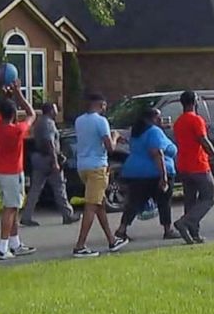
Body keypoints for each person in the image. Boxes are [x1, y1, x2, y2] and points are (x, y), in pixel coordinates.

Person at [73, 93, 127, 258]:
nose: (105, 108)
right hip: (97, 166)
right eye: (104, 105)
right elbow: (110, 147)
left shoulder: (79, 121)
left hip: (82, 166)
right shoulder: (101, 121)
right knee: (91, 205)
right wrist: (116, 136)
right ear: (100, 104)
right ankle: (80, 246)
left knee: (100, 204)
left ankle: (112, 240)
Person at [172, 90, 214, 244]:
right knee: (211, 194)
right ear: (195, 102)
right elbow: (203, 140)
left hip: (183, 164)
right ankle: (185, 221)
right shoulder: (196, 120)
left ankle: (193, 233)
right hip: (198, 164)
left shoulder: (178, 122)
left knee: (190, 199)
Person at [0, 82, 38, 260]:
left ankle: (14, 242)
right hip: (12, 172)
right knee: (10, 209)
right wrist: (19, 94)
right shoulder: (17, 130)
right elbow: (32, 114)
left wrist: (7, 97)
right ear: (14, 115)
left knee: (13, 207)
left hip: (0, 171)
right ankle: (3, 246)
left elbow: (1, 110)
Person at [115, 108, 177, 242]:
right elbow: (157, 154)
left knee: (134, 202)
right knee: (164, 201)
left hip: (136, 172)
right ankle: (168, 229)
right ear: (152, 119)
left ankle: (122, 229)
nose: (161, 120)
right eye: (158, 118)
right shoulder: (154, 132)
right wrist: (164, 176)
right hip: (154, 172)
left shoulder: (136, 132)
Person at [21, 102, 79, 227]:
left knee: (35, 189)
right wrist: (55, 161)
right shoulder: (48, 124)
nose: (57, 111)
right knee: (59, 187)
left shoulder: (40, 122)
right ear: (51, 110)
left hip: (38, 158)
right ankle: (67, 214)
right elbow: (49, 143)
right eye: (55, 109)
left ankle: (26, 215)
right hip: (48, 159)